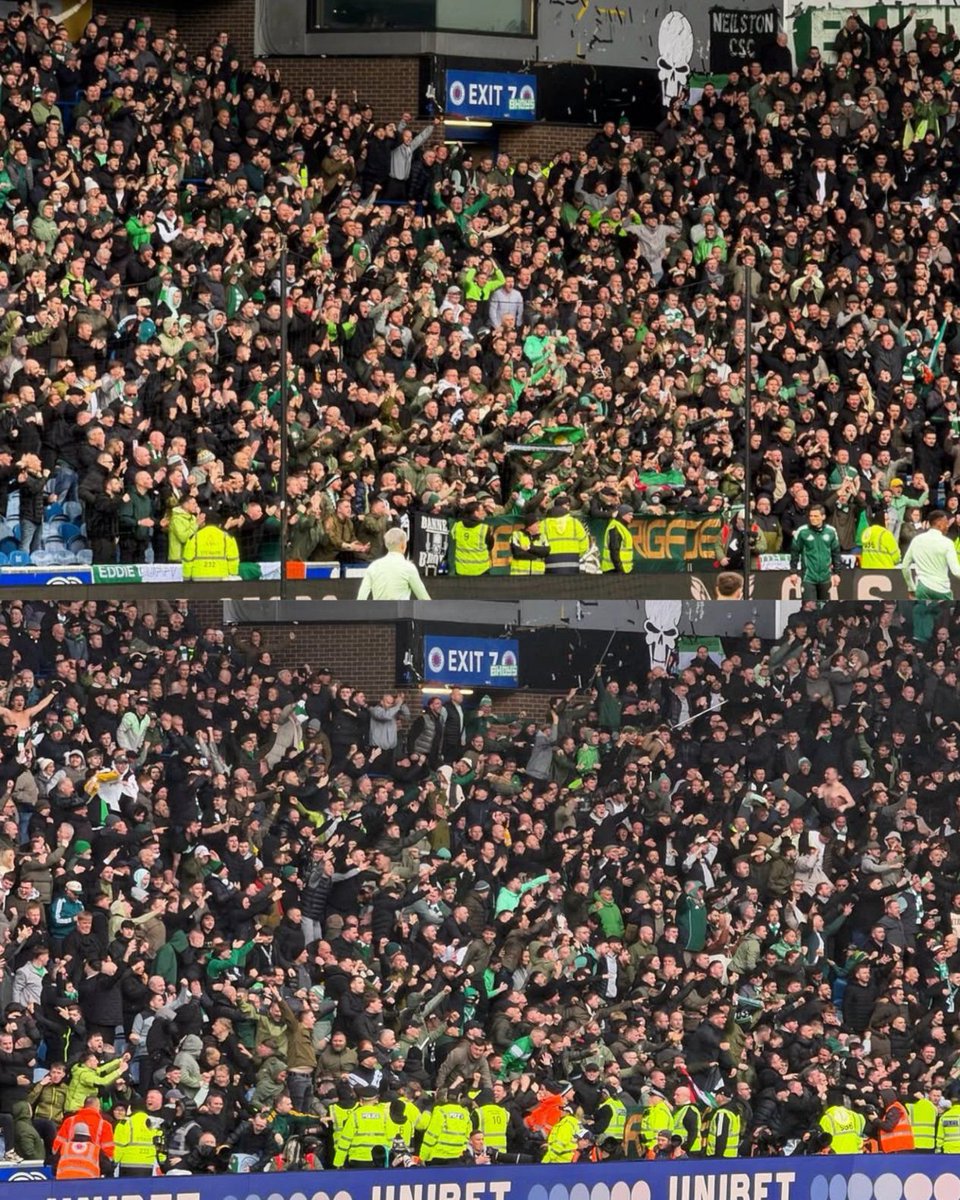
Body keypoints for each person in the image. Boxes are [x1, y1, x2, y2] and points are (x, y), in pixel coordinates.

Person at [356, 528, 431, 599]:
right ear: (403, 545)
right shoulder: (409, 568)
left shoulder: (373, 566)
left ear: (386, 545)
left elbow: (361, 598)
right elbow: (424, 598)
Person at [901, 510, 960, 599]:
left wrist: (911, 587)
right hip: (941, 590)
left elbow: (905, 566)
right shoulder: (947, 543)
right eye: (946, 523)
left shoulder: (916, 540)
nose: (948, 526)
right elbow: (956, 571)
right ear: (939, 523)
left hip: (922, 588)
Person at [788, 504, 843, 600]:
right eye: (811, 516)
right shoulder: (802, 531)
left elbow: (836, 553)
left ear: (823, 517)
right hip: (809, 577)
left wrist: (837, 573)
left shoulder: (831, 531)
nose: (813, 518)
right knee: (809, 606)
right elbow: (794, 552)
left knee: (824, 607)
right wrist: (793, 572)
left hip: (826, 577)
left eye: (816, 516)